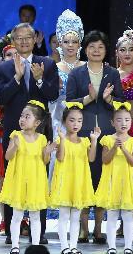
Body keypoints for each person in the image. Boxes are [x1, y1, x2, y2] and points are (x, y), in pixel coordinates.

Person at [0, 22, 60, 245]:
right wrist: (17, 78)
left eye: (28, 37)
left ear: (35, 40)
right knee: (13, 176)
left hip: (40, 131)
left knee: (38, 179)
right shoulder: (4, 68)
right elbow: (1, 98)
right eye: (19, 38)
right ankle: (11, 233)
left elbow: (52, 95)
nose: (23, 41)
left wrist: (40, 79)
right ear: (14, 40)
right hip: (14, 131)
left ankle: (37, 231)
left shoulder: (48, 64)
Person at [65, 29, 124, 245]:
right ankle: (82, 229)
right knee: (84, 178)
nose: (96, 50)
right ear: (85, 50)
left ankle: (99, 229)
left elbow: (122, 104)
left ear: (106, 50)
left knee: (102, 179)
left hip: (107, 134)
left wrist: (109, 101)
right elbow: (69, 103)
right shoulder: (76, 74)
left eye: (100, 47)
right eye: (92, 47)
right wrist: (89, 98)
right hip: (82, 134)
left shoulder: (113, 73)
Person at [1, 101, 53, 253]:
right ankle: (15, 246)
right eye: (22, 116)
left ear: (37, 122)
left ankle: (35, 246)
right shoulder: (16, 135)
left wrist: (47, 152)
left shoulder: (42, 139)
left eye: (27, 116)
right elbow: (8, 156)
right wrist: (15, 146)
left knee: (35, 215)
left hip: (35, 181)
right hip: (19, 180)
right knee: (17, 215)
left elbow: (45, 161)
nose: (22, 119)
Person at [94, 102, 133, 254]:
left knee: (128, 215)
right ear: (112, 122)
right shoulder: (108, 139)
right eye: (120, 120)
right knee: (112, 215)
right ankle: (112, 247)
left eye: (127, 120)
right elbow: (105, 160)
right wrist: (115, 147)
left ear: (131, 121)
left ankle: (128, 246)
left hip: (128, 181)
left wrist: (124, 149)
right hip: (112, 181)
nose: (124, 123)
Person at [50, 102, 98, 254]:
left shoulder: (84, 141)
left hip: (79, 183)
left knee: (76, 216)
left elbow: (91, 158)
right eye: (72, 120)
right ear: (64, 121)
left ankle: (73, 246)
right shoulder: (60, 140)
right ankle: (64, 246)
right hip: (65, 182)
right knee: (64, 215)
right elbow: (61, 157)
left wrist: (95, 140)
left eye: (79, 120)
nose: (76, 123)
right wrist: (62, 140)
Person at [54, 10, 86, 135]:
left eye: (74, 42)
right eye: (66, 42)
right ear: (60, 44)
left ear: (79, 44)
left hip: (84, 119)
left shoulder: (87, 67)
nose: (70, 45)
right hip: (59, 119)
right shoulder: (53, 68)